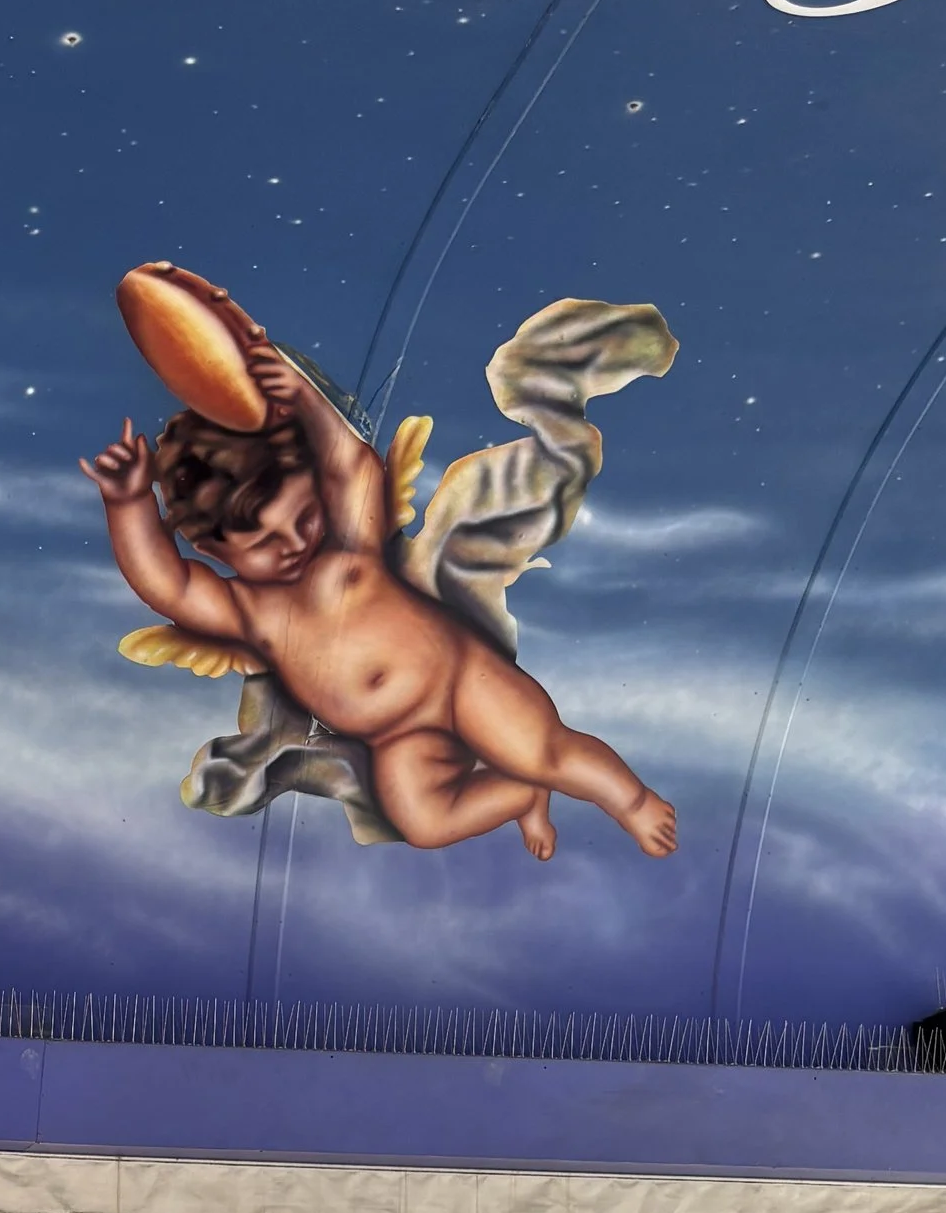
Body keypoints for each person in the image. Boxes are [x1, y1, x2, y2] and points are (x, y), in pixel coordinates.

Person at [83, 339, 675, 861]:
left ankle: (630, 799)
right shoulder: (250, 612)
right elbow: (167, 586)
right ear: (213, 548)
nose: (293, 544)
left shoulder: (348, 553)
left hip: (461, 683)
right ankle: (523, 790)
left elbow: (350, 471)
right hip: (397, 739)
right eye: (263, 543)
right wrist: (129, 504)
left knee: (546, 748)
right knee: (423, 823)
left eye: (303, 518)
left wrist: (304, 398)